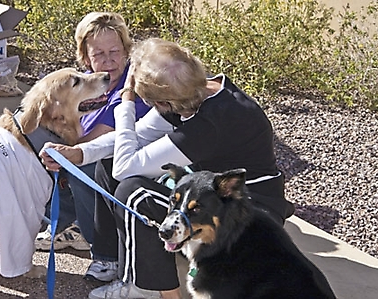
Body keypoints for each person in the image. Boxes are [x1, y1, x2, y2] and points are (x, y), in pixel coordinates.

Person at [40, 38, 295, 299]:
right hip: (213, 194)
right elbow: (136, 136)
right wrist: (79, 153)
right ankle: (112, 261)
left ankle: (148, 289)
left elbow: (125, 169)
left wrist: (125, 104)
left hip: (248, 214)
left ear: (163, 101)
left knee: (135, 192)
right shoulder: (192, 91)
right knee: (109, 164)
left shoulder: (210, 124)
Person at [35, 12, 151, 257]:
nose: (108, 61)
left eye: (115, 52)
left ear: (125, 51)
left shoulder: (132, 87)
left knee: (77, 165)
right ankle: (58, 221)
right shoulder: (91, 82)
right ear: (86, 58)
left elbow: (94, 143)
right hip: (89, 156)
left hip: (119, 166)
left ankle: (102, 252)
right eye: (99, 54)